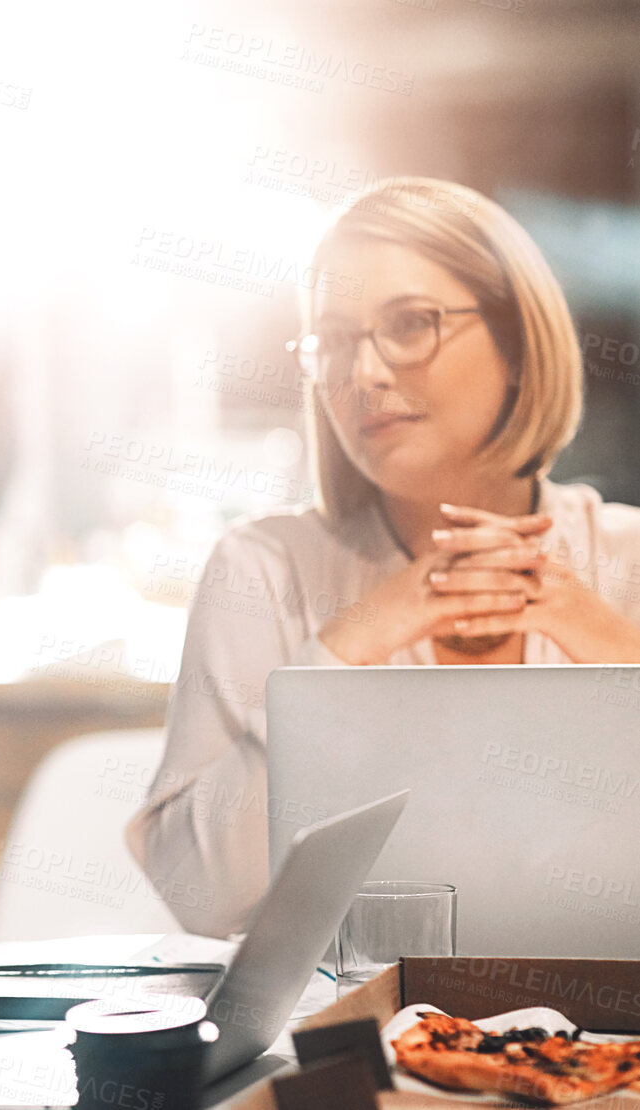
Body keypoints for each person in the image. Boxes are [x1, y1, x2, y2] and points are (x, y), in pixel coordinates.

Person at [127, 177, 640, 938]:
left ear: (519, 348)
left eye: (408, 324)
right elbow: (201, 896)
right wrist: (340, 651)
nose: (361, 374)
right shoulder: (264, 569)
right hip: (350, 1035)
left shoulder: (624, 559)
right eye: (332, 341)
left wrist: (606, 647)